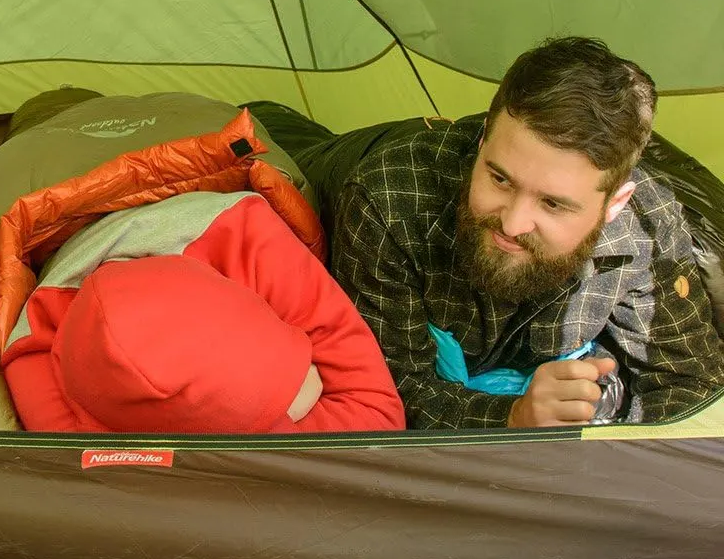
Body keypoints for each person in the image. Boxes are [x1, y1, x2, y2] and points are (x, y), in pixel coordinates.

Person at [250, 37, 724, 429]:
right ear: (481, 142)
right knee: (264, 131)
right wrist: (511, 416)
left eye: (553, 203)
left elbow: (689, 383)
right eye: (499, 178)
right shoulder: (389, 202)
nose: (514, 223)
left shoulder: (647, 225)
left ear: (615, 205)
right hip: (331, 162)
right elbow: (385, 392)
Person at [0, 190, 407, 434]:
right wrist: (277, 429)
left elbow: (379, 420)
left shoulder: (253, 240)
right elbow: (107, 482)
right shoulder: (32, 346)